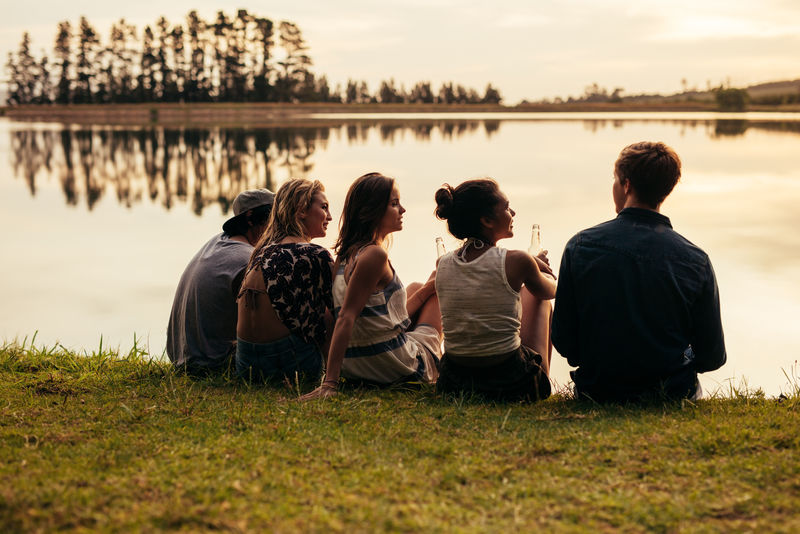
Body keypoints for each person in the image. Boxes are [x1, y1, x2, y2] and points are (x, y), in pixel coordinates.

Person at [551, 141, 726, 402]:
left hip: (598, 389)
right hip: (673, 391)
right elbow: (712, 356)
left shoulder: (580, 246)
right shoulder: (695, 259)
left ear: (627, 184)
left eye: (615, 179)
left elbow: (564, 341)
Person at [301, 172, 443, 399]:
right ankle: (441, 367)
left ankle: (426, 291)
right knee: (438, 296)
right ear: (372, 211)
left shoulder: (345, 255)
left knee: (418, 287)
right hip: (394, 368)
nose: (403, 210)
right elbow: (346, 317)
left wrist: (427, 287)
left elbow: (371, 315)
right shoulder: (374, 255)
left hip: (359, 365)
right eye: (394, 204)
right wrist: (330, 383)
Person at [433, 179, 556, 401]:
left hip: (455, 383)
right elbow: (550, 290)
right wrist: (542, 272)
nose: (513, 213)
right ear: (487, 220)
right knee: (540, 298)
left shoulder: (443, 263)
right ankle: (542, 380)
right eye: (507, 208)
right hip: (512, 384)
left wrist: (529, 263)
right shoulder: (517, 260)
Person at [235, 179, 334, 383]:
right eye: (324, 207)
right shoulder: (314, 254)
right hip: (289, 366)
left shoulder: (261, 252)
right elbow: (336, 315)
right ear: (301, 211)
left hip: (246, 367)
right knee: (338, 310)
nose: (330, 217)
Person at [167, 188, 275, 375]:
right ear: (251, 219)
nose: (277, 228)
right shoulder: (247, 259)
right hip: (212, 363)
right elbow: (265, 324)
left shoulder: (218, 241)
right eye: (274, 220)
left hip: (182, 357)